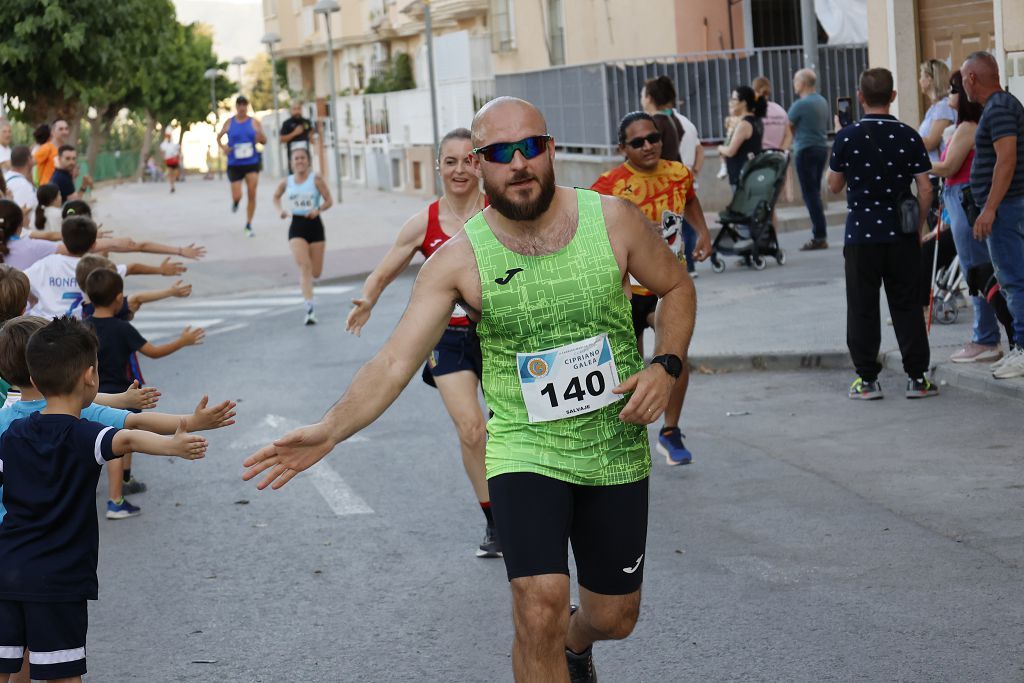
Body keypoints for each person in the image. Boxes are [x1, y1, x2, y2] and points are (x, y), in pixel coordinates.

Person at [245, 97, 697, 682]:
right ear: (480, 165)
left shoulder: (612, 219)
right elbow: (394, 361)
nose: (519, 164)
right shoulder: (459, 259)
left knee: (615, 617)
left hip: (615, 445)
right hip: (523, 449)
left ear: (551, 149)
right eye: (501, 153)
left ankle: (577, 644)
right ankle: (554, 642)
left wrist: (665, 363)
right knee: (538, 607)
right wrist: (329, 431)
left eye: (530, 147)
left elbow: (678, 288)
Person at [0, 316, 209, 683]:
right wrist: (173, 445)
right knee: (62, 674)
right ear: (90, 376)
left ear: (34, 379)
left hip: (5, 566)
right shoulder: (82, 433)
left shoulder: (13, 430)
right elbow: (127, 438)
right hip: (57, 577)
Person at [345, 128, 498, 557]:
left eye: (468, 160)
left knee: (510, 427)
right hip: (444, 338)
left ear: (481, 164)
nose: (460, 169)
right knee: (471, 430)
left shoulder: (500, 212)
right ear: (439, 168)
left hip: (499, 331)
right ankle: (495, 521)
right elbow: (383, 270)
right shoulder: (424, 223)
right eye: (450, 162)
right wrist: (368, 300)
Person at [591, 111, 711, 466]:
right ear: (622, 148)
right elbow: (589, 227)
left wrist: (703, 232)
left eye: (654, 138)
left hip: (667, 287)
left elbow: (689, 199)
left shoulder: (678, 172)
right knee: (627, 365)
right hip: (625, 290)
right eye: (638, 142)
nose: (648, 146)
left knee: (675, 356)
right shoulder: (609, 184)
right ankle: (628, 434)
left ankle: (671, 431)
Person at [827, 68, 937, 400]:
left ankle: (867, 381)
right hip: (900, 234)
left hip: (861, 236)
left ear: (860, 97)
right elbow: (926, 189)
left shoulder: (847, 136)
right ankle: (917, 379)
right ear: (892, 97)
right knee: (906, 305)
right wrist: (917, 227)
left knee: (862, 305)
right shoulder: (909, 135)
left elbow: (833, 187)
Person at [928, 69, 1004, 364]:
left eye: (952, 90)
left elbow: (948, 168)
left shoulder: (969, 126)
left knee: (975, 270)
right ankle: (985, 336)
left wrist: (914, 162)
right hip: (958, 199)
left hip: (963, 199)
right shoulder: (966, 126)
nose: (949, 97)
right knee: (976, 270)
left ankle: (985, 338)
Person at [962, 51, 1024, 379]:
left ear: (972, 78)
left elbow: (1007, 159)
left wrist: (989, 209)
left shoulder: (998, 108)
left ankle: (1023, 351)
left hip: (1006, 208)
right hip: (1009, 206)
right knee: (1013, 279)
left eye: (963, 79)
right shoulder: (1001, 106)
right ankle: (1019, 348)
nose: (962, 87)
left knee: (1013, 281)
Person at [23, 215, 186, 319]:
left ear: (63, 240)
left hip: (44, 327)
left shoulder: (45, 264)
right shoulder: (95, 267)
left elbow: (20, 281)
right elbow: (132, 267)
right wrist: (160, 270)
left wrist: (33, 300)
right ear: (94, 245)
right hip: (80, 329)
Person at [273, 147, 333, 325]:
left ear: (308, 161)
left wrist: (319, 209)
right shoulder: (286, 182)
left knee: (316, 272)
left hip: (315, 226)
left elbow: (329, 200)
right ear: (291, 163)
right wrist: (280, 211)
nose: (299, 161)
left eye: (302, 158)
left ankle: (310, 296)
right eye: (296, 158)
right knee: (304, 267)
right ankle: (309, 309)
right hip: (296, 226)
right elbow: (275, 197)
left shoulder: (316, 179)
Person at [789, 68, 832, 251]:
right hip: (821, 148)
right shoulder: (822, 101)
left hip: (805, 149)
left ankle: (819, 235)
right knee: (814, 192)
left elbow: (788, 126)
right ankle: (820, 232)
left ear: (803, 83)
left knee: (810, 194)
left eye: (795, 80)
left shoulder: (800, 105)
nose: (794, 84)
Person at [218, 95, 266, 237]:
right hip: (235, 164)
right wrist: (224, 148)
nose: (242, 108)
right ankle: (236, 202)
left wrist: (261, 139)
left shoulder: (254, 123)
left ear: (247, 107)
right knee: (238, 195)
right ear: (236, 107)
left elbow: (264, 140)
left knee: (252, 193)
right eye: (239, 105)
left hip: (251, 162)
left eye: (244, 105)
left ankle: (248, 224)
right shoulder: (229, 122)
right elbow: (219, 137)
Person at [672, 97, 706, 277]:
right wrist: (694, 171)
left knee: (672, 225)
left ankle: (682, 265)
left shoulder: (661, 124)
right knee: (688, 225)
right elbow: (700, 150)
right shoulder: (688, 123)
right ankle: (690, 265)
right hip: (688, 180)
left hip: (670, 183)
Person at [717, 85, 765, 189]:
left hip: (742, 178)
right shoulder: (756, 120)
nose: (731, 102)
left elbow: (731, 151)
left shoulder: (744, 124)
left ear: (743, 103)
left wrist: (719, 148)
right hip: (750, 175)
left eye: (734, 99)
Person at [641, 76, 683, 163]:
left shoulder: (654, 124)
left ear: (648, 98)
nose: (641, 99)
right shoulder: (672, 120)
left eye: (642, 96)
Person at [753, 76, 792, 151]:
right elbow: (788, 135)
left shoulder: (752, 111)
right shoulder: (780, 110)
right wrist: (781, 152)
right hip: (777, 158)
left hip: (759, 157)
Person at [280, 101, 315, 174]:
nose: (297, 111)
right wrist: (294, 133)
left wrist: (311, 136)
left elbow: (311, 135)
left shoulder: (306, 122)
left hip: (305, 158)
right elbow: (281, 139)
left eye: (299, 109)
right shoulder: (286, 123)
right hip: (293, 159)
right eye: (294, 109)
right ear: (291, 110)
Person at [32, 119, 68, 187]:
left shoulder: (66, 150)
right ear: (53, 132)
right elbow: (29, 164)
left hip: (62, 190)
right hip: (48, 192)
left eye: (66, 129)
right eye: (61, 129)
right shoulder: (47, 148)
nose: (64, 132)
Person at [3, 147, 36, 215]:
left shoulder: (7, 177)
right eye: (32, 157)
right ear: (29, 159)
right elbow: (22, 215)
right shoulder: (22, 186)